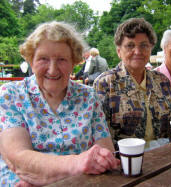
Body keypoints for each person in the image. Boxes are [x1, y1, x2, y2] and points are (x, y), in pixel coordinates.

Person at [0, 21, 119, 186]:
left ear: (74, 63)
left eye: (62, 59)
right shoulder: (11, 95)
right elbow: (18, 157)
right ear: (31, 60)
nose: (52, 69)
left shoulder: (88, 96)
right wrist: (77, 163)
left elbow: (106, 153)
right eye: (43, 59)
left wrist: (44, 176)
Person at [93, 18, 171, 150]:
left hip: (165, 154)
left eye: (144, 45)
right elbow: (99, 135)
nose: (138, 51)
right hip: (126, 161)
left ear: (150, 49)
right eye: (130, 45)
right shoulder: (105, 83)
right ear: (119, 51)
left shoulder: (162, 81)